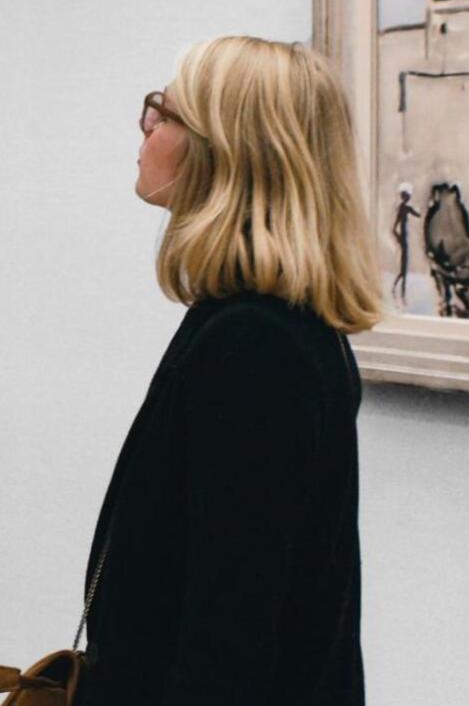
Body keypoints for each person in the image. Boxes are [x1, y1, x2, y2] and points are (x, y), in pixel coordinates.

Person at [78, 35, 380, 706]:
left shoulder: (257, 347)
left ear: (226, 153)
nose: (146, 125)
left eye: (165, 111)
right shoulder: (257, 325)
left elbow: (230, 636)